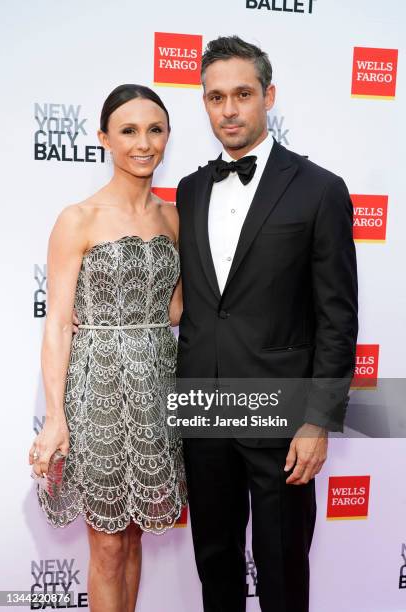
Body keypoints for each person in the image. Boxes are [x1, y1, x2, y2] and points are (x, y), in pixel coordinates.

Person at [176, 36, 358, 612]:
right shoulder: (189, 190)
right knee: (215, 562)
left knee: (282, 568)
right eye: (215, 97)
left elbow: (337, 316)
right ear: (204, 103)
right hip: (203, 409)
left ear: (268, 96)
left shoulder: (320, 190)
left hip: (281, 417)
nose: (228, 109)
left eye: (242, 94)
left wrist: (318, 422)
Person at [29, 84, 187, 612]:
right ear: (104, 139)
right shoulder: (79, 219)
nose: (144, 143)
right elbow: (56, 324)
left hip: (158, 387)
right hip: (96, 389)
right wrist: (55, 419)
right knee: (107, 542)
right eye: (128, 131)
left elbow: (178, 312)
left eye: (155, 130)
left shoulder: (173, 219)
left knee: (136, 531)